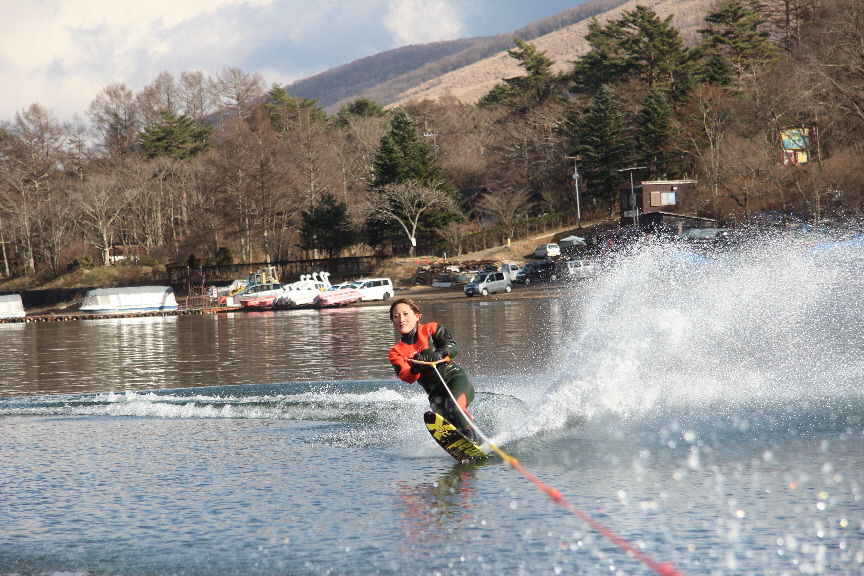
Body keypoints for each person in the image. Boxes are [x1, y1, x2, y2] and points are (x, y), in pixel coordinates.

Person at [388, 297, 478, 442]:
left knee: (453, 405)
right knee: (445, 419)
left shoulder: (432, 329)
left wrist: (439, 353)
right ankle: (464, 444)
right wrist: (416, 367)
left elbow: (453, 347)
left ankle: (473, 438)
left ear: (417, 316)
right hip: (435, 395)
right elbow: (407, 377)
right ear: (392, 321)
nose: (401, 319)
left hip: (456, 380)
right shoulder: (396, 352)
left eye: (405, 314)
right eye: (396, 317)